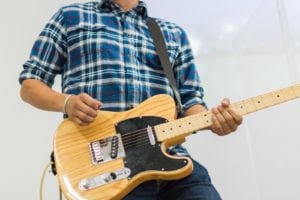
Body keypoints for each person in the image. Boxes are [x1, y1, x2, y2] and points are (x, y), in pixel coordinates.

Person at [19, 0, 243, 199]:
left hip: (172, 162)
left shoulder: (172, 33)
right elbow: (30, 84)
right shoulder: (71, 16)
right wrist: (67, 102)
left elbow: (190, 101)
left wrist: (214, 120)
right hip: (105, 168)